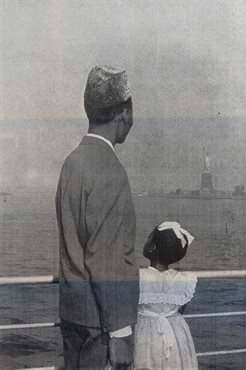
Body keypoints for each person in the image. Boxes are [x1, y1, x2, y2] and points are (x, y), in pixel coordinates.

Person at [55, 65, 139, 370]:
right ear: (123, 112)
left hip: (74, 317)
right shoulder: (110, 170)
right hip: (102, 326)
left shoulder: (72, 163)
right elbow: (106, 257)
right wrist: (120, 331)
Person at [134, 221, 198, 370]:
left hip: (145, 332)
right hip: (176, 332)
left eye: (148, 238)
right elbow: (179, 310)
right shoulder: (184, 279)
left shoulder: (138, 276)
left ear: (153, 247)